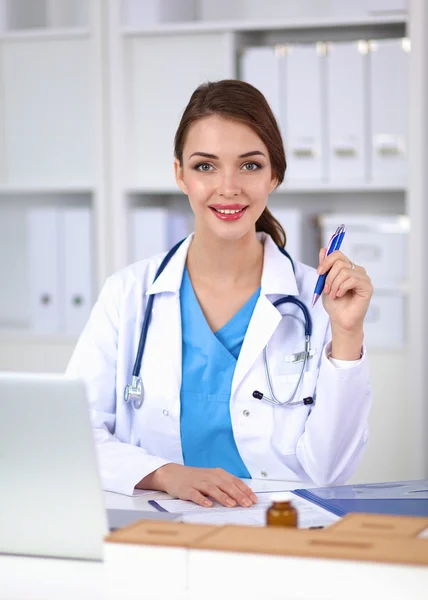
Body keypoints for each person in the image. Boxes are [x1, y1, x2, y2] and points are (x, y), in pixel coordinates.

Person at [66, 80, 373, 508]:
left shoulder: (317, 302)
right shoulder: (128, 295)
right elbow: (74, 433)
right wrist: (166, 474)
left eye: (249, 166)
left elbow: (330, 472)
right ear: (180, 174)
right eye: (205, 166)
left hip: (279, 526)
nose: (228, 187)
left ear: (274, 176)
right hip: (158, 529)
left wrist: (347, 335)